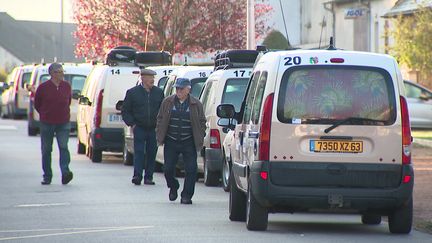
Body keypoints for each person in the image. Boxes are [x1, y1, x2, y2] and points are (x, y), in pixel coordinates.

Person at [156, 78, 206, 204]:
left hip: (188, 141)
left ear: (188, 89)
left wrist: (200, 135)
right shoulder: (167, 102)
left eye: (181, 89)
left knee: (191, 169)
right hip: (171, 141)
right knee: (167, 169)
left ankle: (186, 195)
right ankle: (173, 186)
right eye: (177, 88)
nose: (178, 91)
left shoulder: (196, 104)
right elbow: (160, 118)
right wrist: (160, 133)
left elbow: (202, 122)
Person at [122, 68, 164, 185]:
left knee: (152, 153)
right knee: (139, 152)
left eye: (153, 78)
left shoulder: (158, 93)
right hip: (139, 127)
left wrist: (160, 125)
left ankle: (148, 177)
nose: (152, 80)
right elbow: (125, 111)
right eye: (150, 78)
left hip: (153, 128)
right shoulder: (132, 93)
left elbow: (163, 111)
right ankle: (137, 176)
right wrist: (132, 124)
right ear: (143, 78)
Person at [34, 63, 73, 185]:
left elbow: (69, 101)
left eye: (62, 72)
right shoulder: (43, 87)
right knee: (46, 149)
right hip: (47, 122)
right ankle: (47, 176)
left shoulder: (66, 86)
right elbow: (37, 104)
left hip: (63, 122)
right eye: (59, 72)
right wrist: (45, 114)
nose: (62, 74)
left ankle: (65, 173)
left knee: (63, 147)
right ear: (52, 73)